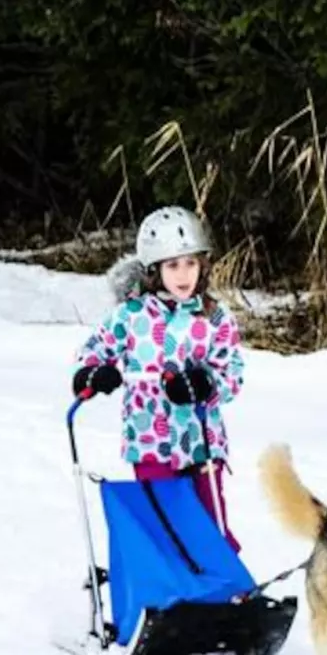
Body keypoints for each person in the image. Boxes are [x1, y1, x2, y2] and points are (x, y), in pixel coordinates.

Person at [71, 205, 245, 552]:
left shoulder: (213, 318)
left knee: (209, 520)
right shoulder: (131, 316)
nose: (183, 275)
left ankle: (223, 589)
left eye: (191, 263)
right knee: (163, 518)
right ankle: (170, 592)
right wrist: (93, 372)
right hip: (150, 439)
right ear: (154, 270)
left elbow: (232, 372)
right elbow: (96, 349)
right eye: (172, 265)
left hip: (201, 440)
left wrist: (205, 384)